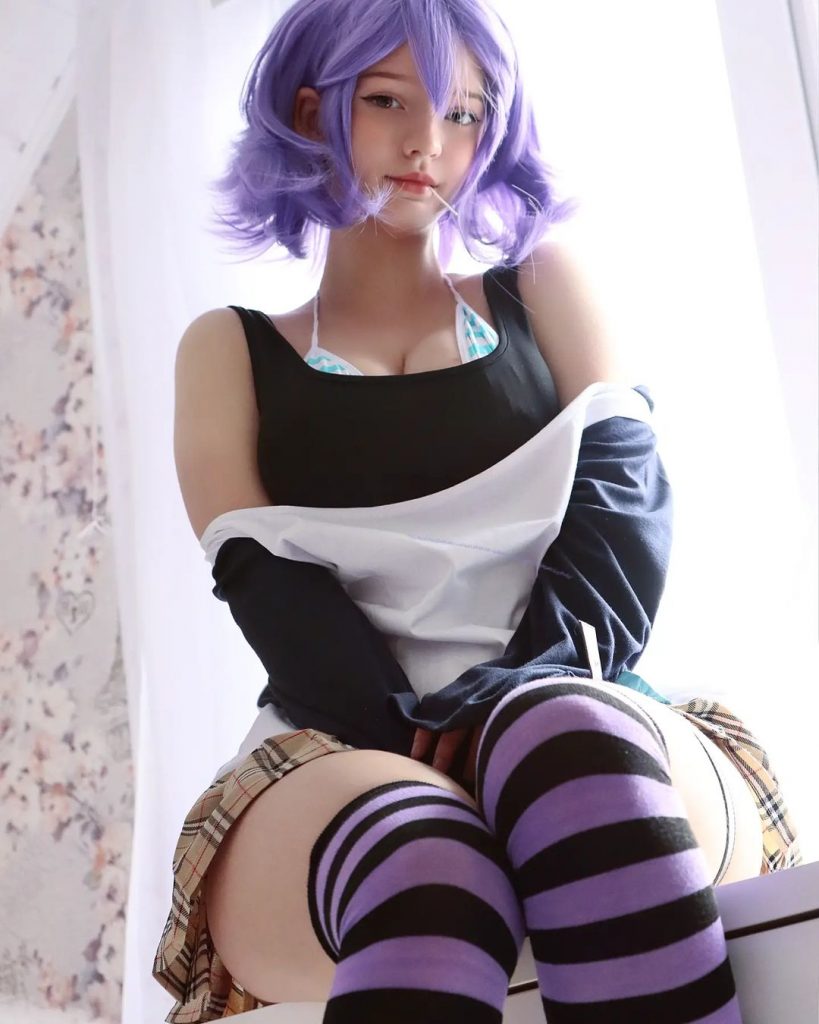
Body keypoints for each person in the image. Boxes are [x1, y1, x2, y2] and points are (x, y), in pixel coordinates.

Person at [152, 1, 801, 1020]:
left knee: (565, 747)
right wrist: (432, 739)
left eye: (463, 113)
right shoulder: (227, 348)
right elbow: (272, 595)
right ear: (312, 109)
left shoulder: (543, 288)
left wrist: (509, 698)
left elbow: (622, 523)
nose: (427, 142)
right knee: (426, 864)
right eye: (387, 102)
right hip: (342, 739)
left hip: (577, 688)